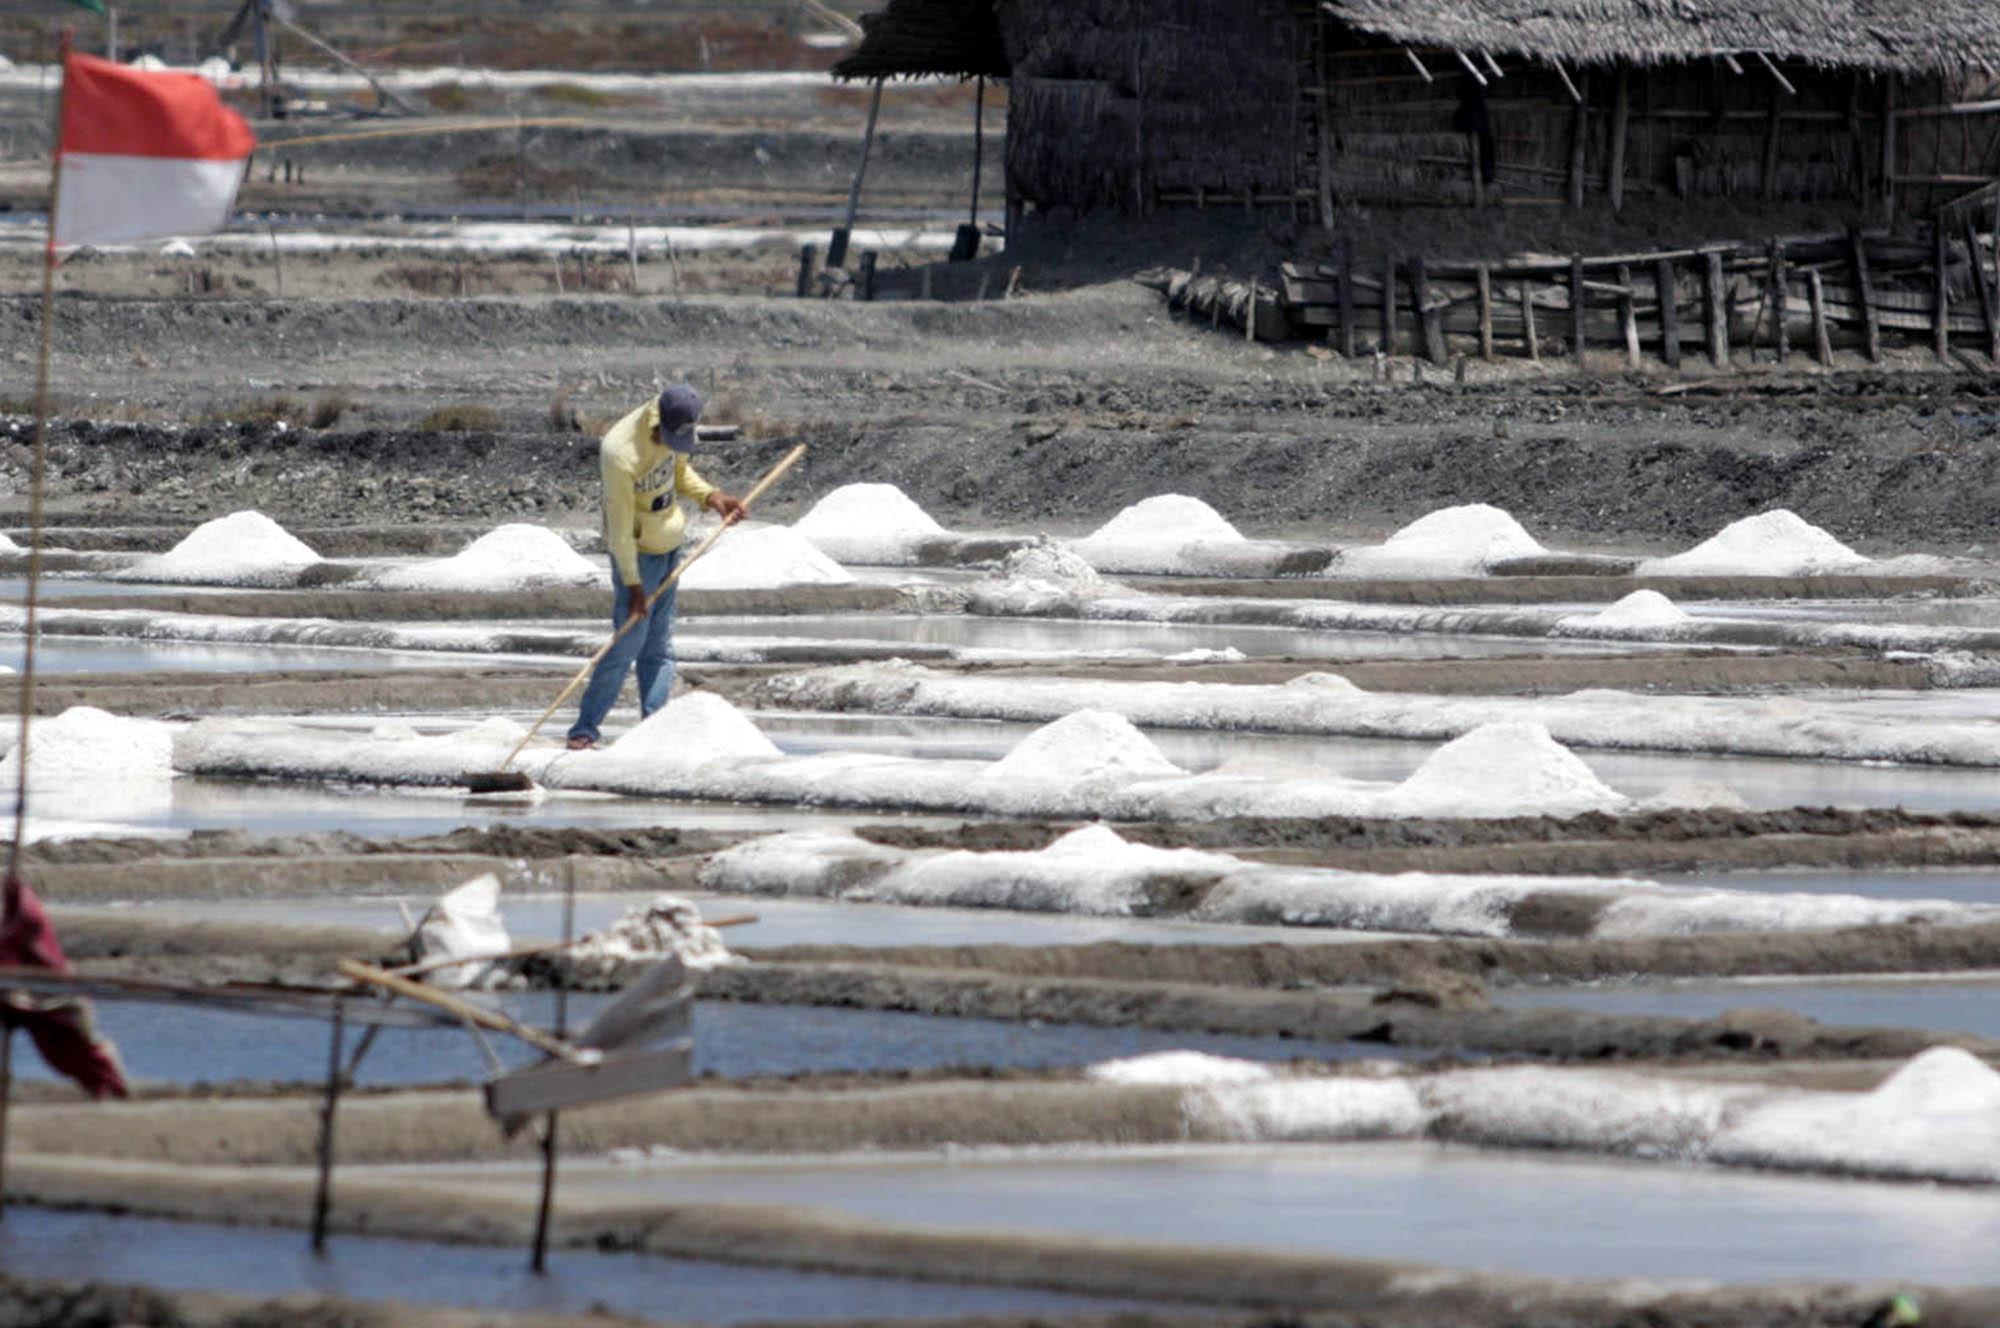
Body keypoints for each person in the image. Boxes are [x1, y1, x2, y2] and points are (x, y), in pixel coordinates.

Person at [566, 385, 746, 750]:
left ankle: (655, 729)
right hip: (638, 556)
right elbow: (619, 529)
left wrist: (713, 497)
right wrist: (633, 585)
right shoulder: (620, 453)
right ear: (657, 421)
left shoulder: (674, 431)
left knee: (660, 647)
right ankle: (584, 731)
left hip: (670, 547)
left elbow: (680, 474)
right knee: (626, 644)